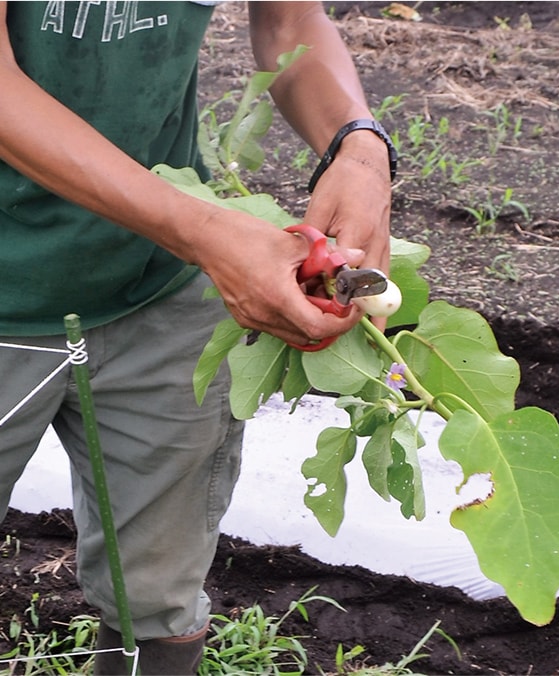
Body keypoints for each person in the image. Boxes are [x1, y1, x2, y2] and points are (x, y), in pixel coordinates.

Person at [0, 1, 394, 673]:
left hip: (157, 287)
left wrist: (357, 146)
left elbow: (289, 21)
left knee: (160, 597)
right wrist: (205, 233)